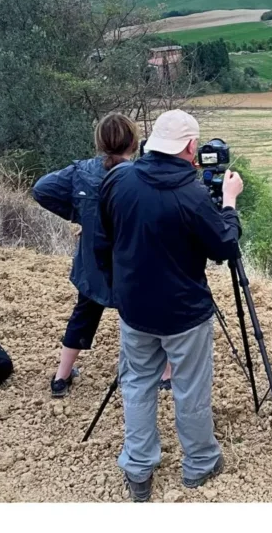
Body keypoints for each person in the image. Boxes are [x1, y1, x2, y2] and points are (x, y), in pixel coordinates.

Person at [95, 109, 243, 502]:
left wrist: (118, 286)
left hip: (134, 307)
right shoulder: (193, 195)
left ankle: (139, 468)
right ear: (191, 147)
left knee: (138, 385)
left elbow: (104, 237)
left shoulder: (120, 178)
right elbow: (225, 247)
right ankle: (199, 462)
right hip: (183, 312)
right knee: (189, 389)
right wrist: (228, 203)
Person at [32, 113, 173, 398]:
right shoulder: (140, 175)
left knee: (84, 313)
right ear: (133, 143)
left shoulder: (80, 171)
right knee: (158, 312)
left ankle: (61, 378)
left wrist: (82, 216)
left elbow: (41, 189)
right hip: (133, 265)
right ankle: (166, 374)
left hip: (94, 266)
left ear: (100, 142)